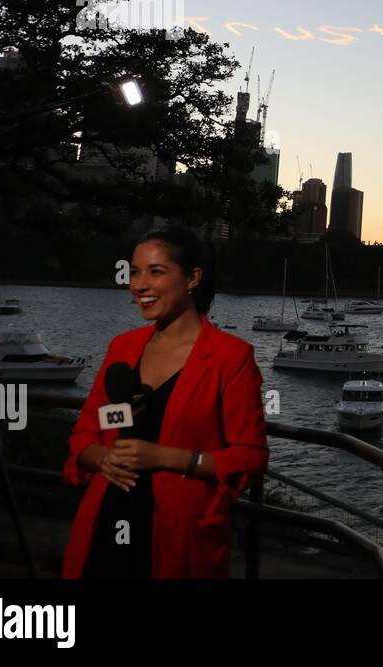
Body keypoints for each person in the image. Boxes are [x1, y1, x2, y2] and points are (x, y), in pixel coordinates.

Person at [61, 227, 268, 578]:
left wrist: (166, 457)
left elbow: (250, 456)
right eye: (134, 271)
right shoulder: (122, 348)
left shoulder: (230, 358)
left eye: (156, 272)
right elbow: (87, 430)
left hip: (179, 537)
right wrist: (102, 457)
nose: (139, 284)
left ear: (192, 278)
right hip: (106, 522)